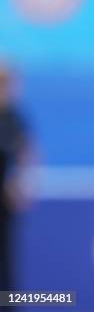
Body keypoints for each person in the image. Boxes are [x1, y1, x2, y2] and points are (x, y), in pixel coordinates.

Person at [0, 63, 29, 294]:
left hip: (5, 207)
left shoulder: (13, 118)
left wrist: (21, 183)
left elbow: (26, 152)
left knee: (6, 262)